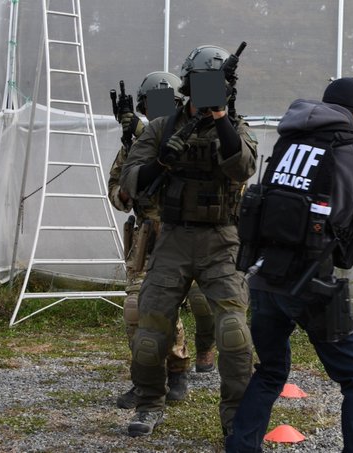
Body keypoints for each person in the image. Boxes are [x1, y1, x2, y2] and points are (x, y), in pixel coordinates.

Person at [225, 77, 353, 452]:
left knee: (270, 371)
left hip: (264, 275)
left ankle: (241, 446)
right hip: (311, 283)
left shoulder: (288, 140)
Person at [119, 45, 257, 437]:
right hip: (174, 238)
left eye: (215, 83)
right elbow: (131, 182)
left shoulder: (236, 126)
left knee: (233, 331)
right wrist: (162, 160)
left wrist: (221, 117)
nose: (207, 89)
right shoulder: (162, 127)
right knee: (150, 331)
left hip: (221, 240)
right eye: (202, 82)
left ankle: (236, 419)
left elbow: (243, 168)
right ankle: (149, 403)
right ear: (188, 84)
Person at [108, 71, 217, 412]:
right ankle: (148, 378)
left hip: (188, 236)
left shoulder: (193, 138)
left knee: (203, 306)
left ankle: (182, 366)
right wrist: (128, 188)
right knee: (137, 310)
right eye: (152, 106)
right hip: (148, 239)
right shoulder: (133, 147)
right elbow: (117, 191)